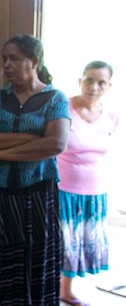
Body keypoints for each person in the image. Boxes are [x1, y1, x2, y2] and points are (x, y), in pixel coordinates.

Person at [0, 34, 71, 306]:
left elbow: (56, 143)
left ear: (34, 61)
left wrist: (1, 154)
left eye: (14, 58)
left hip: (36, 195)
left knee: (35, 256)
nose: (6, 64)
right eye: (4, 59)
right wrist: (31, 138)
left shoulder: (55, 99)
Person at [56, 61, 118, 306]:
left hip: (95, 190)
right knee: (64, 242)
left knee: (82, 240)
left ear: (109, 86)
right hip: (64, 189)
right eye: (89, 80)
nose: (94, 86)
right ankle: (58, 288)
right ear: (79, 81)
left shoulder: (111, 115)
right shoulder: (64, 108)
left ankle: (67, 289)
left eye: (101, 82)